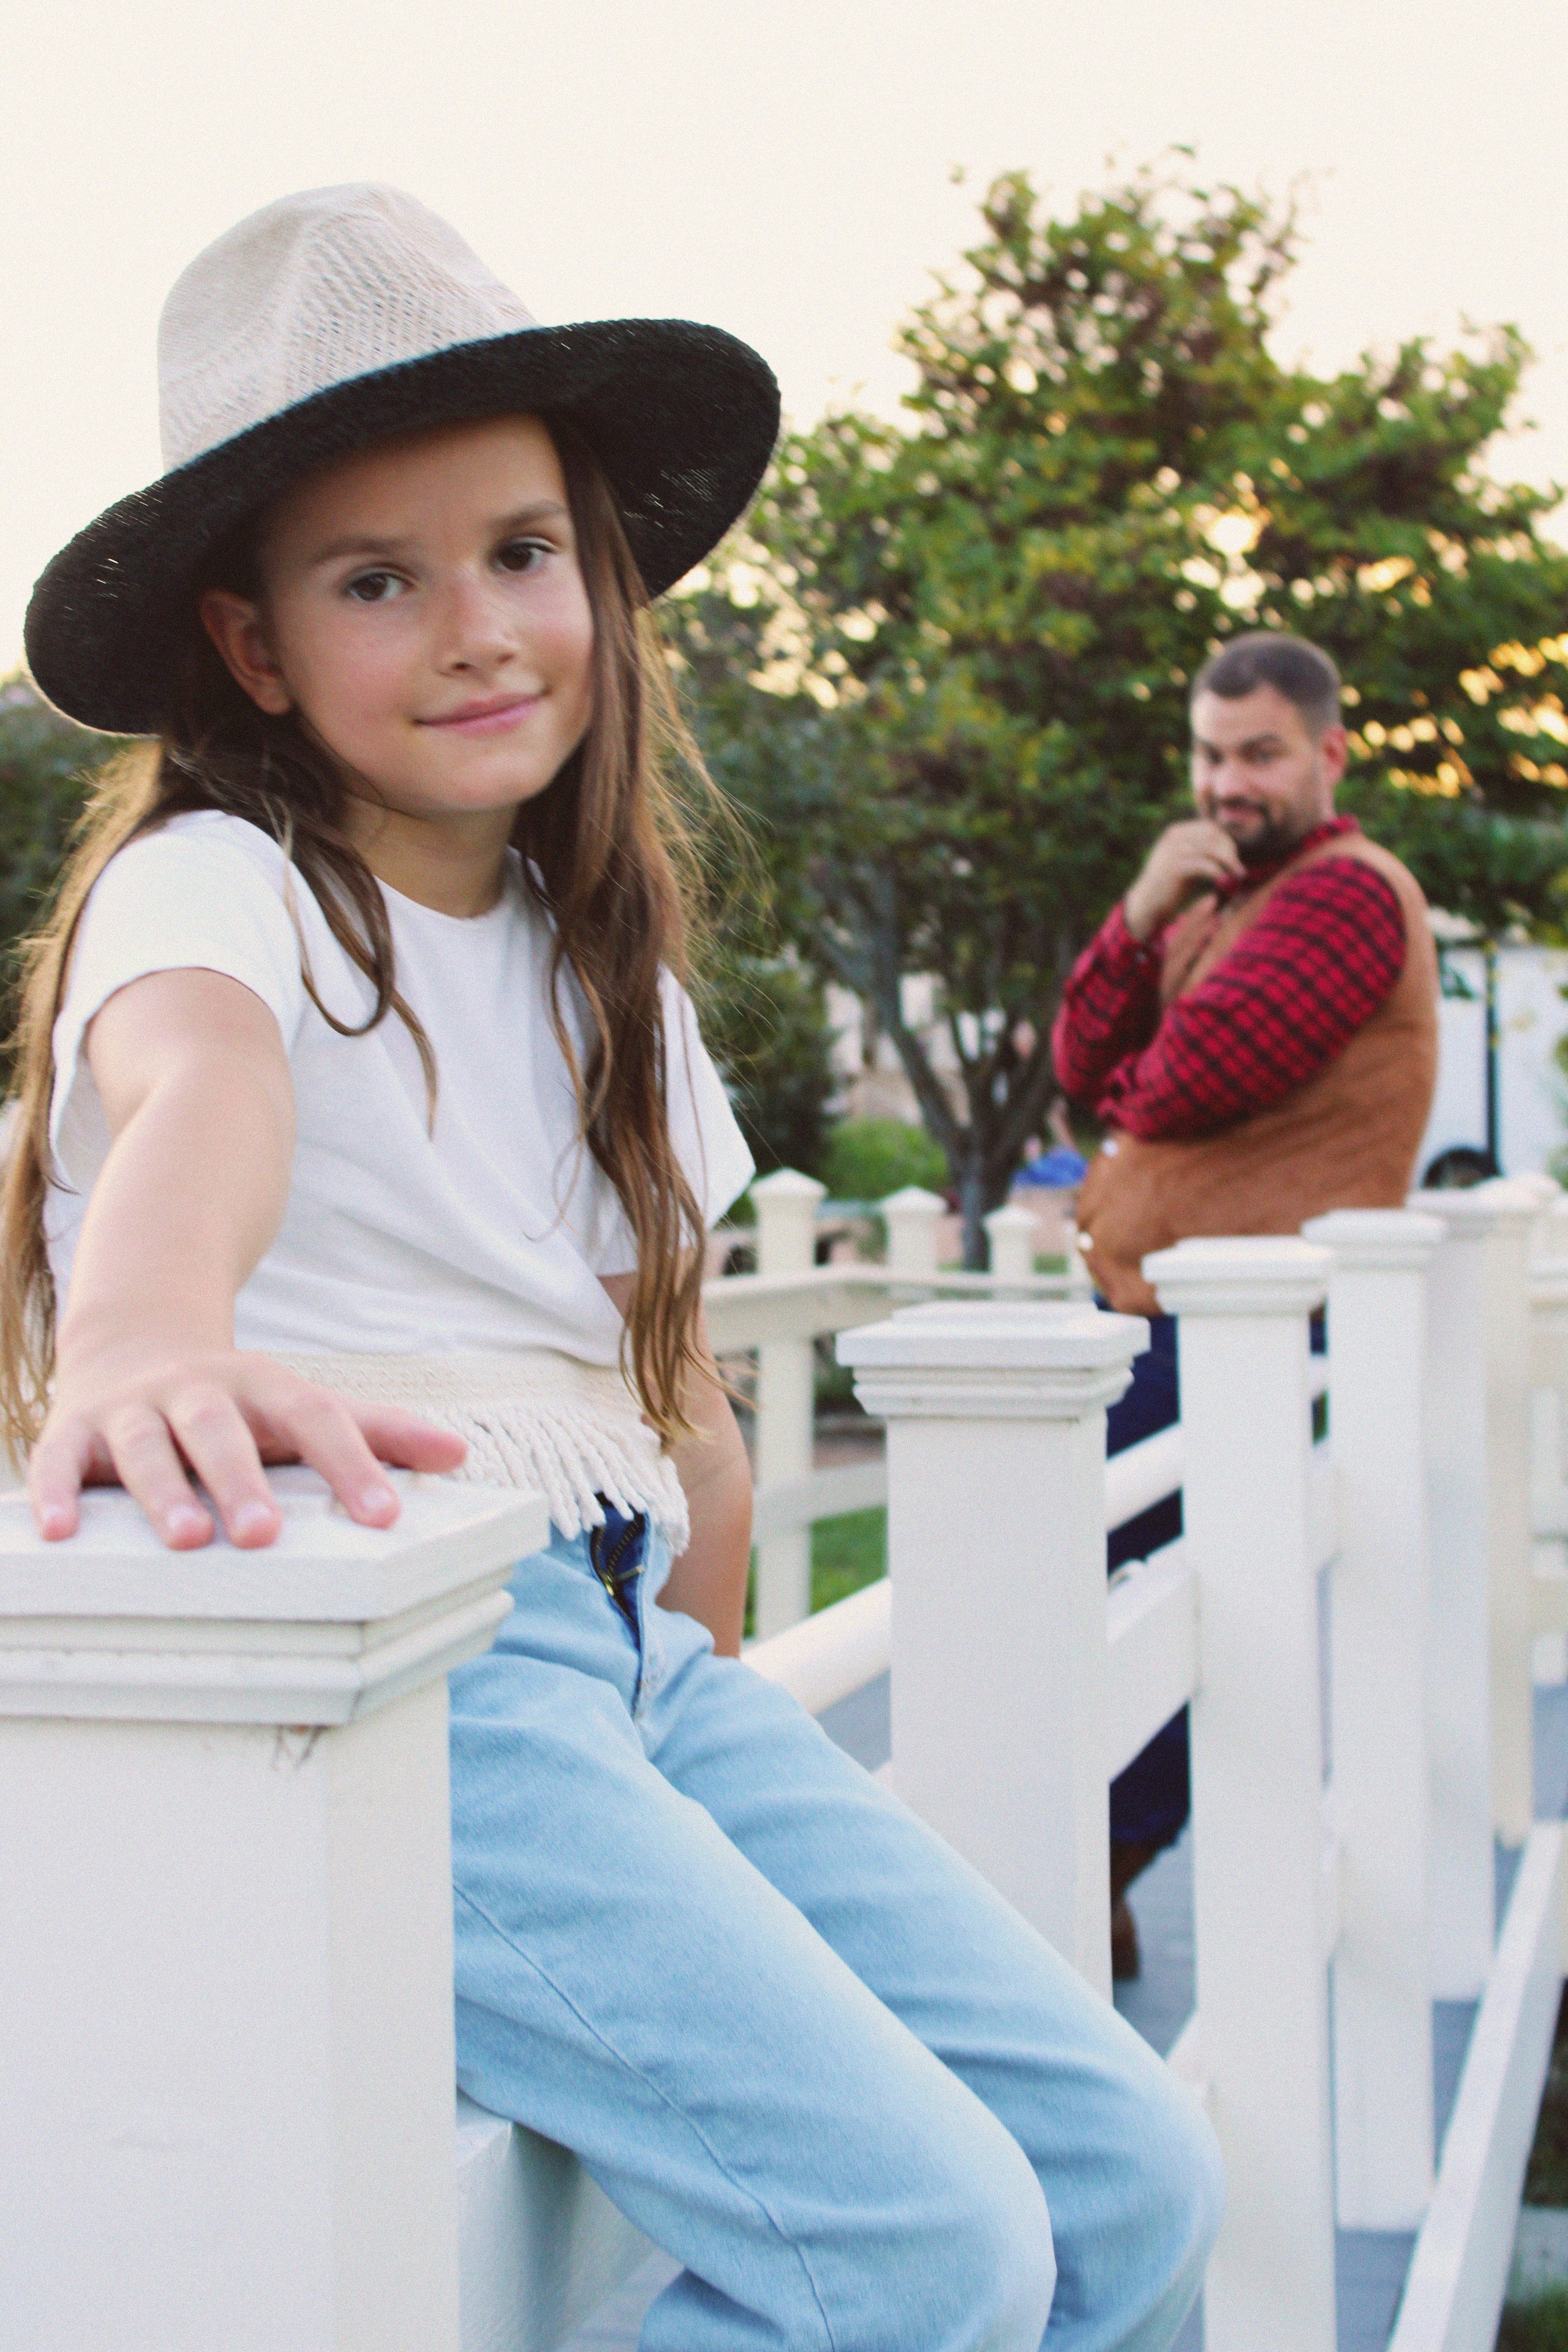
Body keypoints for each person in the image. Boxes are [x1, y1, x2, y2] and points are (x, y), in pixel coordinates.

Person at [9, 186, 1221, 2352]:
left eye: (521, 552)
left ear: (602, 577)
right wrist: (143, 1337)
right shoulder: (222, 894)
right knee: (920, 2251)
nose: (477, 626)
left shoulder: (608, 980)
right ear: (254, 647)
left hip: (633, 1676)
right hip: (417, 1682)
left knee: (1126, 2180)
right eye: (378, 580)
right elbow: (198, 1102)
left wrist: (692, 1723)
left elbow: (675, 1407)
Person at [1052, 630, 1438, 1975]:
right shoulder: (1218, 896)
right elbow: (1077, 1056)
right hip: (1160, 1316)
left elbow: (1180, 1083)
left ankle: (1093, 1870)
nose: (1227, 783)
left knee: (1161, 1597)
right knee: (1115, 1590)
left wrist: (1124, 1087)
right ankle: (1085, 1875)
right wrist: (1136, 916)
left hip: (1245, 1331)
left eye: (1259, 754)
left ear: (1327, 754)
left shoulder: (1343, 898)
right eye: (1211, 755)